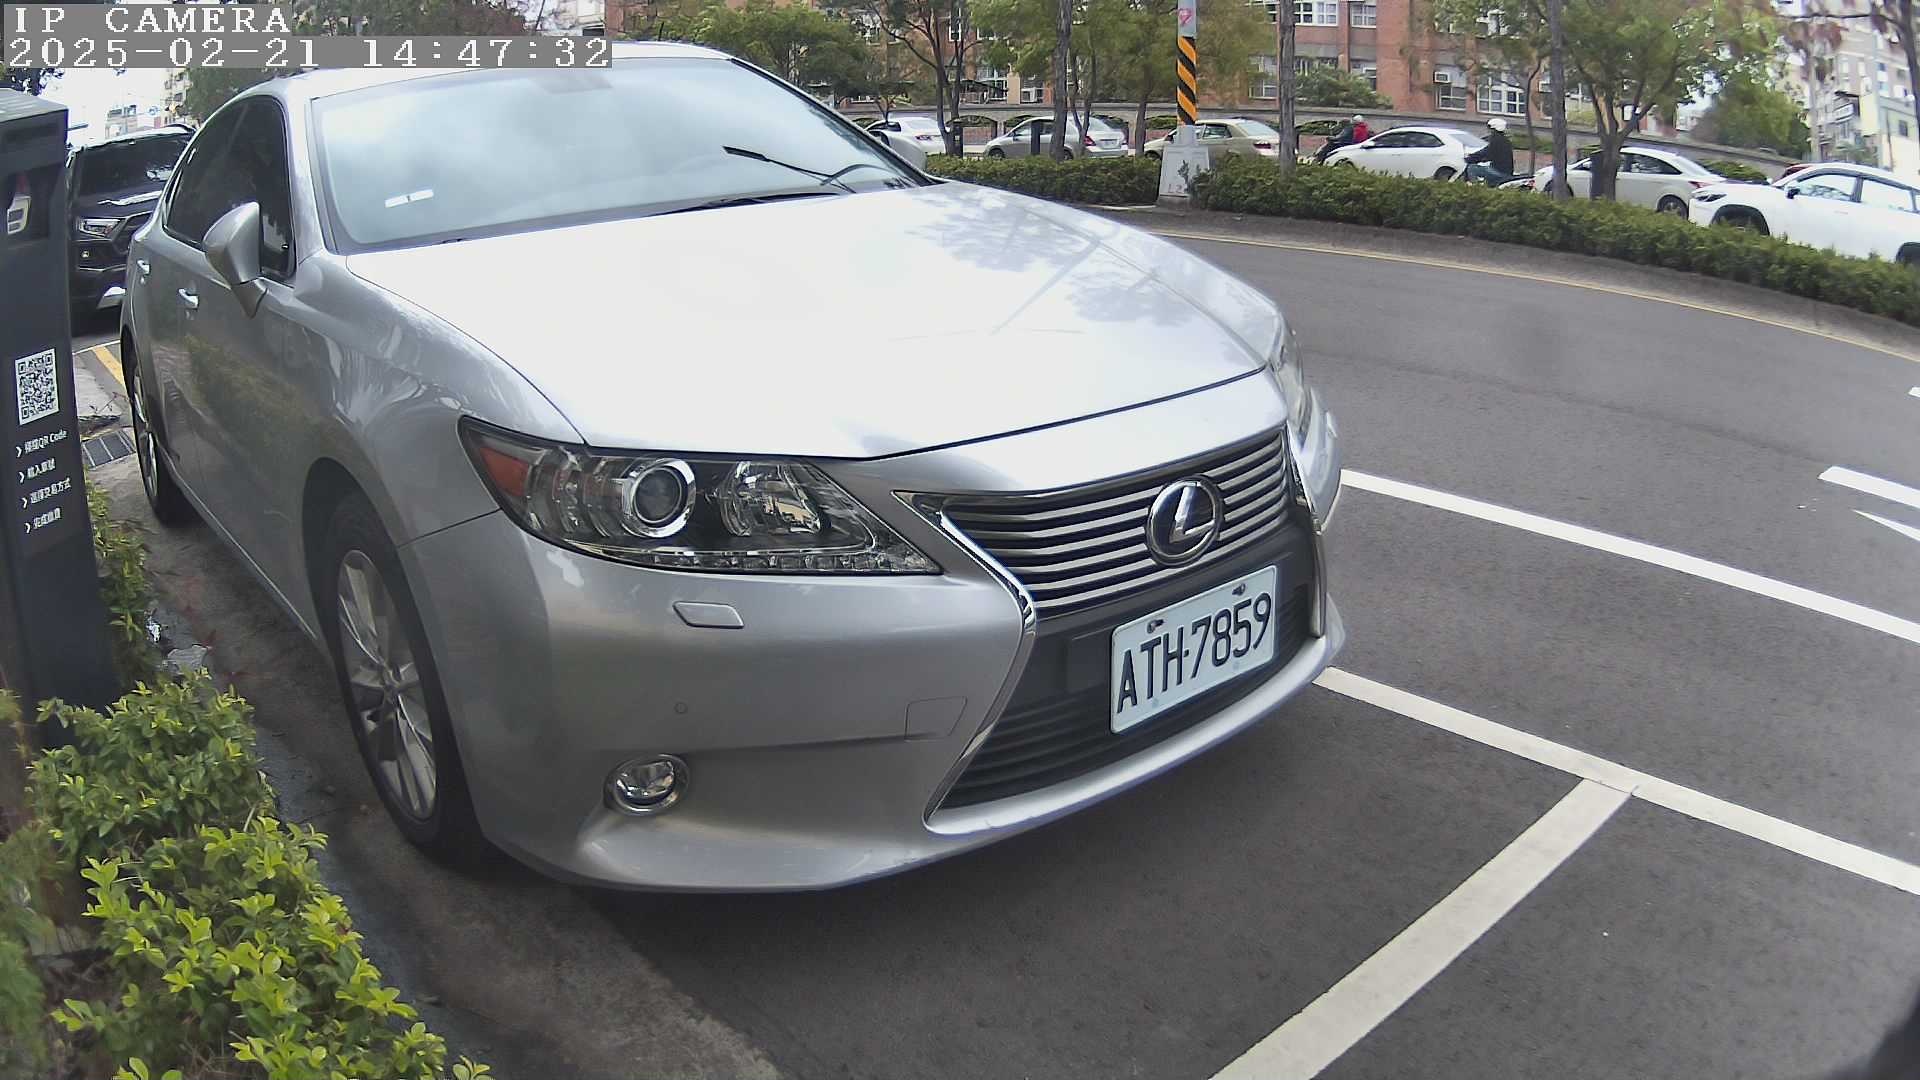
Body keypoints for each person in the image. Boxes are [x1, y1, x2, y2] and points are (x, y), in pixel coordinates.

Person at [1465, 117, 1515, 185]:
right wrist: (1477, 157)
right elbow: (1490, 153)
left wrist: (1470, 158)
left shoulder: (1496, 139)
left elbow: (1486, 152)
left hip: (1498, 172)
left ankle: (1475, 187)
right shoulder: (1504, 140)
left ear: (1494, 129)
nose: (1488, 131)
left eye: (1490, 128)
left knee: (1472, 168)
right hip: (1506, 171)